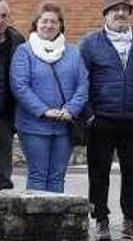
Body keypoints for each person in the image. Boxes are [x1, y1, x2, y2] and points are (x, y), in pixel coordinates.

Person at [79, 0, 133, 241]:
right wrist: (89, 116)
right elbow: (81, 81)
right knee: (98, 173)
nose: (120, 13)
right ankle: (101, 220)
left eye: (124, 10)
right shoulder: (90, 43)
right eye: (114, 10)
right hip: (102, 120)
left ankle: (130, 221)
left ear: (130, 14)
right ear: (105, 15)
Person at [11, 1, 88, 193]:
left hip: (64, 127)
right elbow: (20, 86)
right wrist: (44, 111)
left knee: (57, 176)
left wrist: (70, 110)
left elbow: (83, 84)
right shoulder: (24, 51)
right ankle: (36, 222)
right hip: (33, 126)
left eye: (53, 22)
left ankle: (55, 222)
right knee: (38, 175)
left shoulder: (73, 53)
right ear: (36, 24)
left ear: (60, 25)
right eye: (44, 21)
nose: (48, 26)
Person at [0, 0, 25, 190]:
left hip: (5, 113)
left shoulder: (18, 40)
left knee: (3, 169)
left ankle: (3, 208)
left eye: (3, 16)